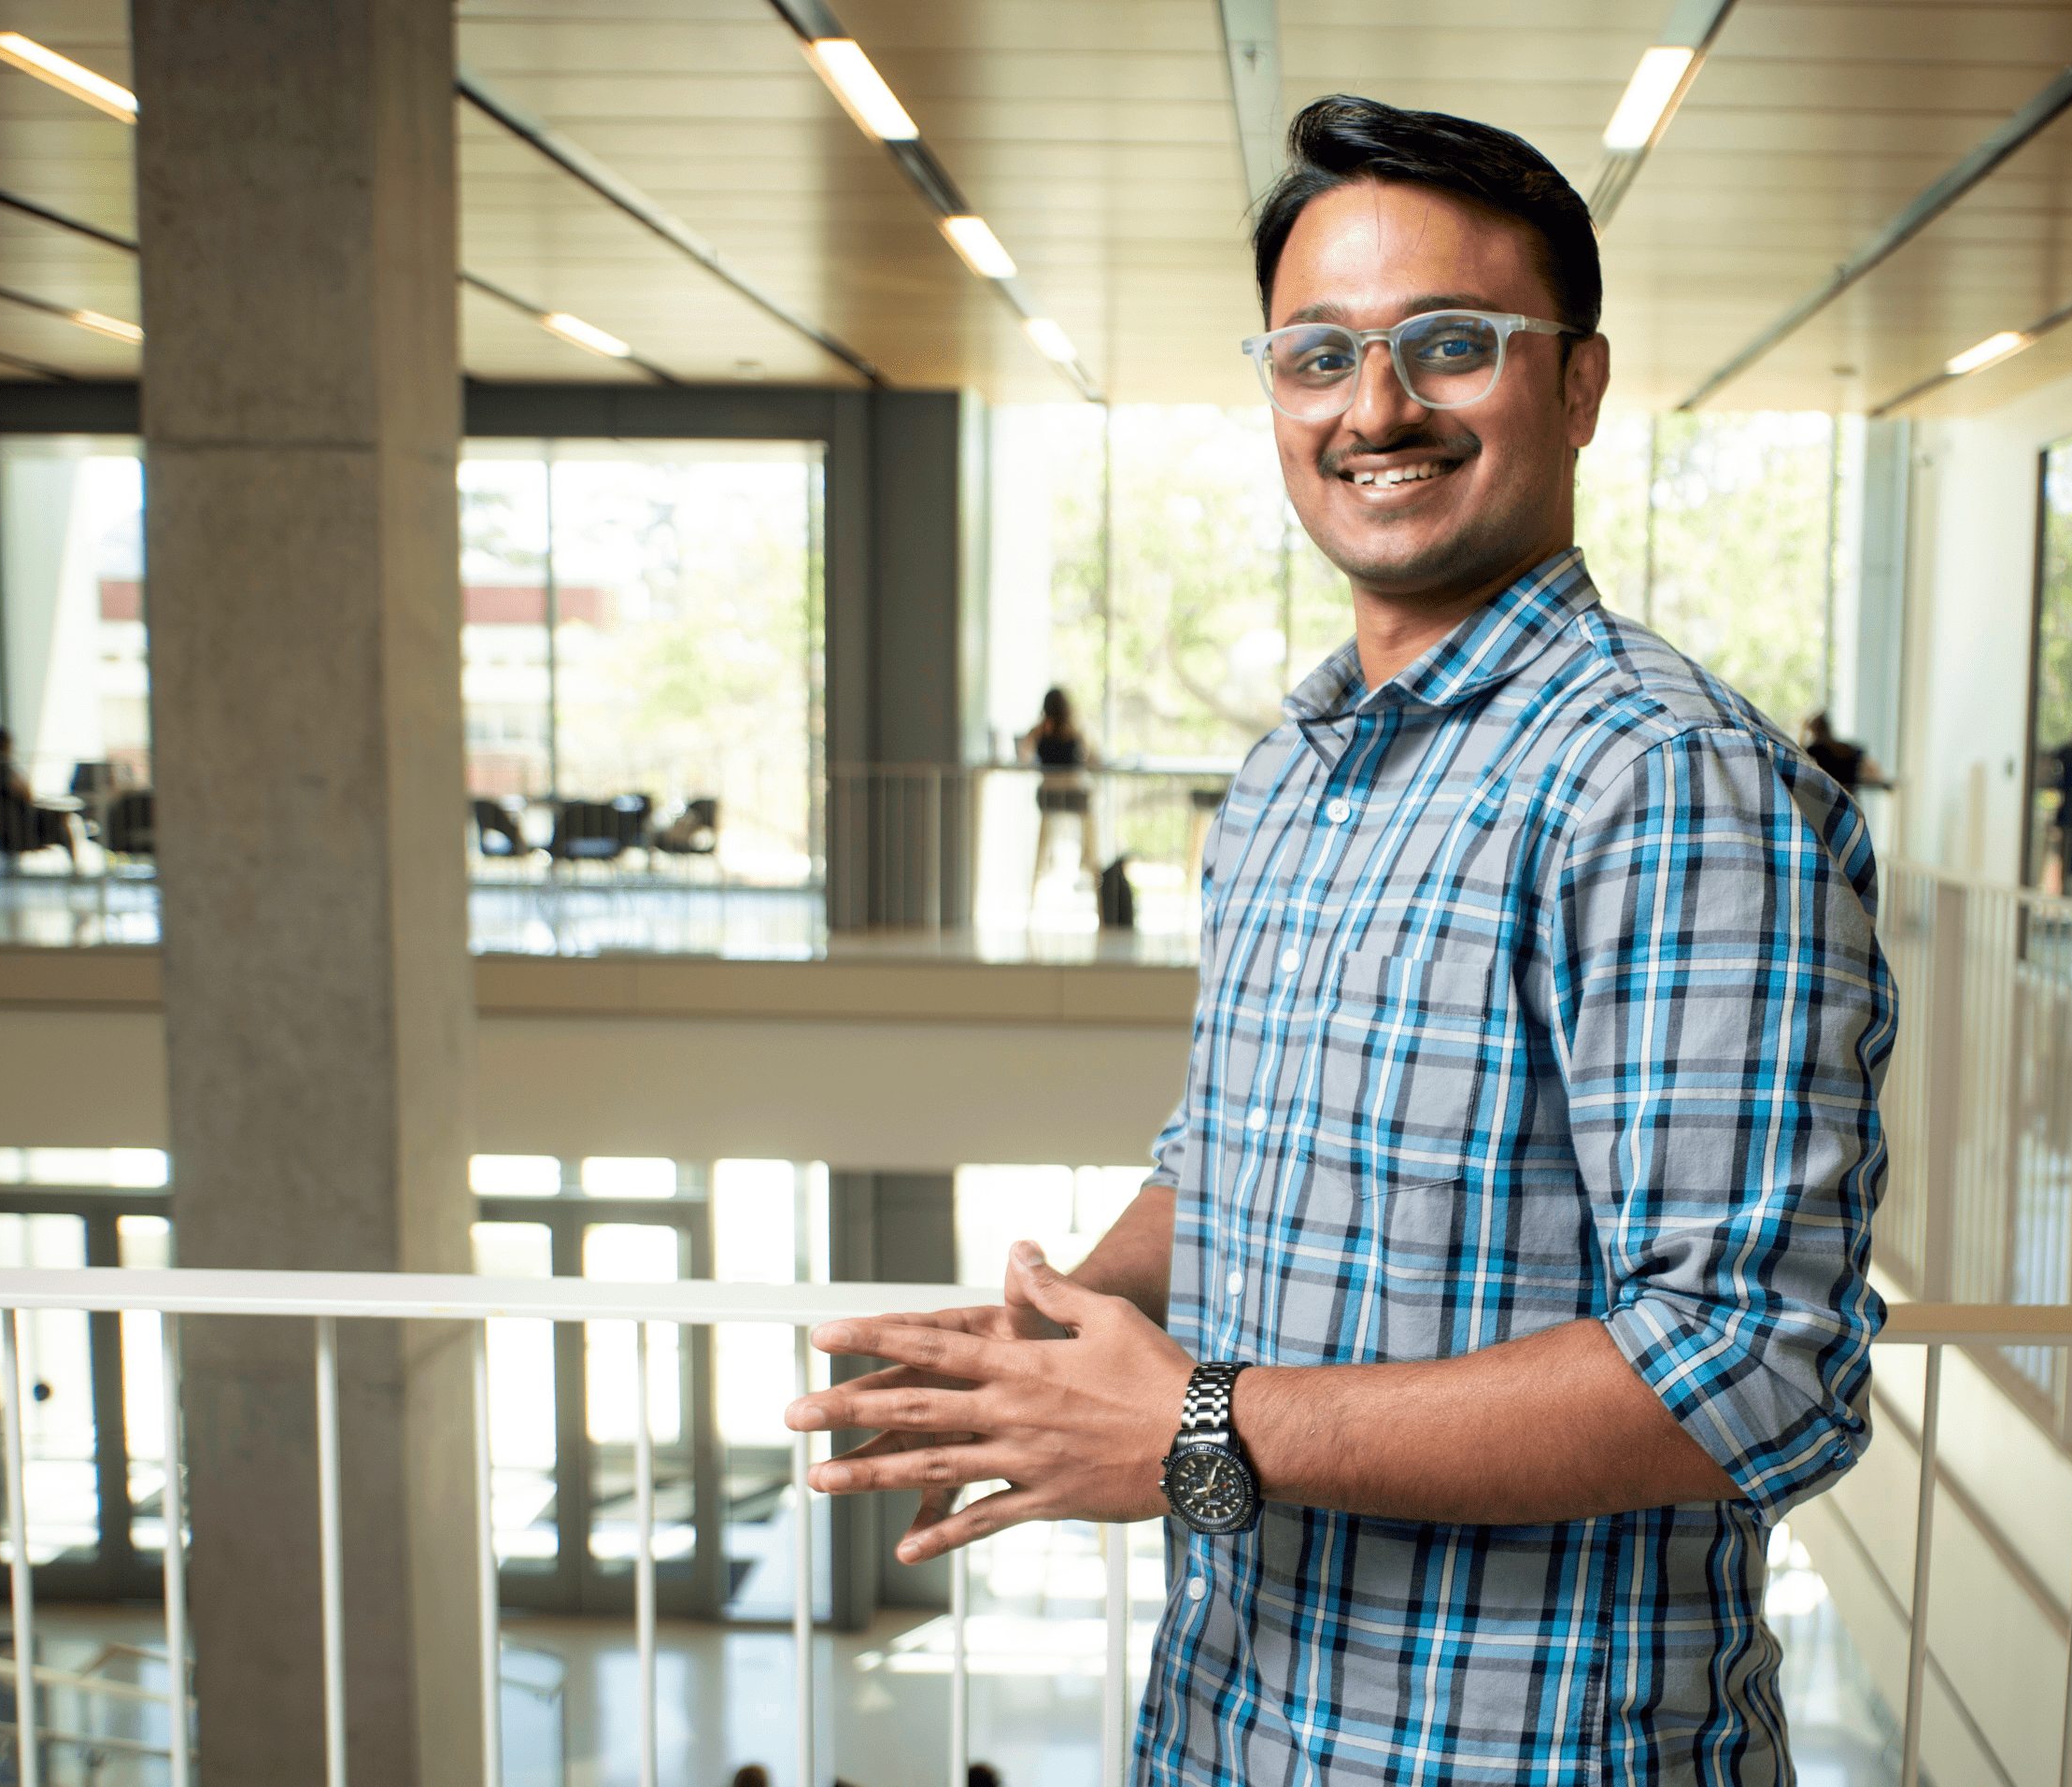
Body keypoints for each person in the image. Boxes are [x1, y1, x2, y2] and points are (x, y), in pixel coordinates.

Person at [788, 93, 1892, 1785]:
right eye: (1318, 356)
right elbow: (1225, 1157)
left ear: (1577, 385)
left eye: (1451, 345)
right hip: (1233, 1727)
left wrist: (1194, 1431)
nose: (1375, 408)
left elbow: (1752, 1367)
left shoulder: (1663, 782)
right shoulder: (1297, 773)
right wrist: (1064, 1333)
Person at [1016, 688, 1100, 908]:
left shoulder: (1041, 732)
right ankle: (1087, 860)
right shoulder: (1073, 730)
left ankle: (1074, 861)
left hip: (1047, 797)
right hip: (1074, 797)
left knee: (1050, 837)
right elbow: (1094, 758)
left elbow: (1022, 757)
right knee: (1091, 817)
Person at [0, 727, 77, 869]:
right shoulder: (1, 769)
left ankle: (75, 870)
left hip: (9, 829)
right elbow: (26, 793)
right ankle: (76, 869)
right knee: (62, 818)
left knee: (61, 816)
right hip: (24, 827)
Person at [1799, 711, 1885, 793]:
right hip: (1849, 799)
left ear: (1814, 731)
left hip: (1828, 798)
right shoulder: (1851, 749)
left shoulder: (1817, 750)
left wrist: (1803, 730)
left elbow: (1799, 757)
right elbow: (1873, 772)